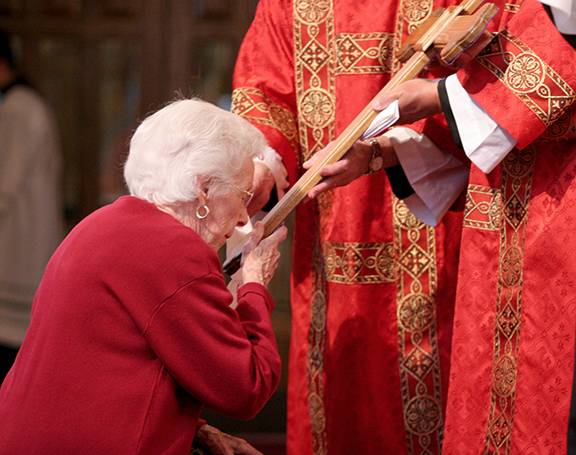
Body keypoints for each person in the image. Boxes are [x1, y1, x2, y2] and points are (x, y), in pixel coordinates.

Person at [307, 0, 576, 452]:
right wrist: (379, 153)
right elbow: (500, 125)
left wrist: (435, 97)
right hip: (513, 224)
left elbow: (556, 82)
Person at [232, 1, 465, 453]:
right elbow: (264, 97)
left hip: (436, 228)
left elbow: (486, 86)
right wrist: (260, 164)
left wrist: (384, 150)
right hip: (329, 238)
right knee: (337, 398)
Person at [0, 99, 287, 454]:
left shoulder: (99, 224)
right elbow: (246, 387)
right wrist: (253, 285)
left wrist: (196, 430)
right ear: (204, 189)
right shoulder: (174, 251)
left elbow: (101, 367)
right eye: (243, 194)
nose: (244, 216)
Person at [0, 30, 63, 381]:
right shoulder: (20, 105)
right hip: (19, 240)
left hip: (19, 241)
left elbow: (4, 184)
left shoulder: (19, 109)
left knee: (14, 345)